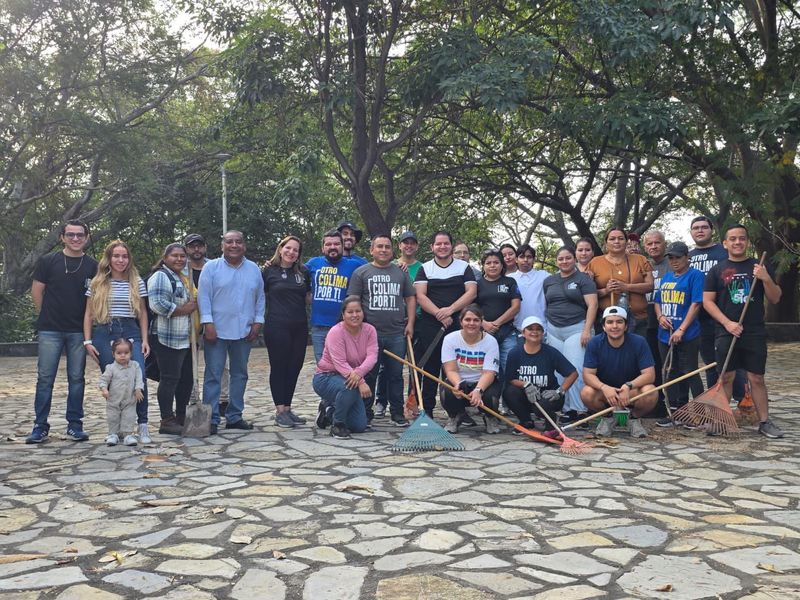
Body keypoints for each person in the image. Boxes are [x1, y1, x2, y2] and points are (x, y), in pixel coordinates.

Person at [703, 224, 784, 438]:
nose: (737, 242)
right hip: (726, 331)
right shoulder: (717, 270)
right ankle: (722, 421)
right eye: (733, 239)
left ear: (747, 242)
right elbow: (708, 302)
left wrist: (766, 278)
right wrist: (727, 323)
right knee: (726, 377)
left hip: (754, 331)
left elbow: (775, 297)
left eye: (742, 238)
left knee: (756, 378)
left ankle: (765, 422)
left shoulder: (760, 266)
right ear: (725, 243)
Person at [27, 220, 99, 444]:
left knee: (77, 378)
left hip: (78, 330)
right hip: (50, 329)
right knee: (45, 378)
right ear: (62, 237)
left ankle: (75, 425)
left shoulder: (93, 265)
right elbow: (37, 291)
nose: (75, 238)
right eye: (70, 234)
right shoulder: (48, 261)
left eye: (80, 235)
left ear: (86, 237)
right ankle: (40, 426)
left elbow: (95, 298)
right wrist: (46, 315)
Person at [84, 240, 152, 444]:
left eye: (124, 256)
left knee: (139, 375)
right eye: (116, 256)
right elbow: (88, 314)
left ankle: (142, 425)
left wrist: (145, 339)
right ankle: (115, 429)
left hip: (130, 330)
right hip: (105, 331)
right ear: (109, 258)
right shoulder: (96, 283)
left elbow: (142, 314)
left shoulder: (137, 282)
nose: (120, 260)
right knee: (114, 380)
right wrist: (88, 341)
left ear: (129, 259)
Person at [198, 230, 265, 434]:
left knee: (240, 374)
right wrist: (207, 323)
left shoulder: (254, 269)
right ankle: (211, 418)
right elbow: (204, 297)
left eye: (238, 242)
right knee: (213, 375)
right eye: (229, 242)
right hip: (216, 331)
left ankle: (235, 416)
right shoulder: (210, 268)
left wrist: (258, 322)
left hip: (244, 331)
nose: (234, 245)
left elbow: (260, 298)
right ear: (222, 246)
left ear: (244, 246)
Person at [348, 234, 416, 425]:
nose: (384, 250)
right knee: (369, 374)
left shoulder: (401, 272)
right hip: (369, 335)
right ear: (372, 250)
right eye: (379, 246)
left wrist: (410, 323)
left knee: (395, 375)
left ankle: (396, 412)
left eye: (387, 247)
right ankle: (365, 412)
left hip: (396, 333)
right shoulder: (361, 273)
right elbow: (353, 301)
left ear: (392, 251)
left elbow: (411, 298)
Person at [413, 231, 478, 417]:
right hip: (430, 326)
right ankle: (427, 410)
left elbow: (471, 292)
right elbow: (420, 295)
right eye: (438, 244)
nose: (442, 247)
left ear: (451, 246)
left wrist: (450, 310)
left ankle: (458, 412)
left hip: (458, 325)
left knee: (457, 368)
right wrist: (439, 314)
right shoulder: (425, 268)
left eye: (446, 243)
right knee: (431, 368)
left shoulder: (464, 267)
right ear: (432, 247)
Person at [688, 215, 745, 399]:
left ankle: (743, 399)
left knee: (734, 360)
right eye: (696, 228)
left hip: (725, 316)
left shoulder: (723, 251)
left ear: (711, 230)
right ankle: (716, 401)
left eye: (704, 227)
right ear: (691, 232)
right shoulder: (688, 257)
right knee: (710, 363)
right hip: (700, 319)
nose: (700, 230)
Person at [581, 306, 657, 438]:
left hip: (631, 391)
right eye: (610, 322)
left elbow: (650, 375)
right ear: (604, 326)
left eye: (619, 322)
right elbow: (588, 375)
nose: (614, 326)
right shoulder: (595, 343)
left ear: (626, 326)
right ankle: (608, 417)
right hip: (605, 392)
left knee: (650, 391)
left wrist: (628, 386)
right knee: (586, 392)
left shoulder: (639, 342)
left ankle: (633, 418)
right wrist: (604, 387)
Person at [542, 246, 597, 424]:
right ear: (557, 261)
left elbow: (593, 305)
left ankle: (578, 409)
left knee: (574, 369)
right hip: (553, 329)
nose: (564, 262)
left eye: (568, 258)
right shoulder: (549, 280)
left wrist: (587, 330)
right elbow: (546, 304)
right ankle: (564, 409)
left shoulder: (583, 279)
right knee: (558, 372)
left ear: (574, 259)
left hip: (577, 328)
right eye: (561, 259)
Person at [147, 243, 198, 435]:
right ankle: (167, 420)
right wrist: (184, 310)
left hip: (184, 338)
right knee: (170, 379)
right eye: (175, 256)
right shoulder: (161, 276)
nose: (179, 259)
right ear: (165, 257)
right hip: (167, 337)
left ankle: (181, 416)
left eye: (182, 256)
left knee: (186, 379)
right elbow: (157, 304)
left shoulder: (181, 277)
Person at [653, 241, 704, 425]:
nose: (674, 261)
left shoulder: (695, 276)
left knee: (689, 372)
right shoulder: (667, 277)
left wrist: (682, 328)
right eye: (671, 257)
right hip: (665, 334)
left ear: (687, 258)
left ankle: (701, 413)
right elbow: (657, 301)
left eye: (678, 257)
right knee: (669, 372)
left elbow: (696, 303)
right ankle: (675, 413)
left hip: (687, 334)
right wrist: (660, 317)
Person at [263, 236, 311, 428]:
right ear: (281, 248)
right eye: (288, 248)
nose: (291, 252)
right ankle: (280, 410)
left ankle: (288, 408)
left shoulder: (303, 272)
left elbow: (308, 296)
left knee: (294, 367)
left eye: (296, 250)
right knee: (279, 367)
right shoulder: (268, 271)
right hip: (277, 326)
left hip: (299, 326)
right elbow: (259, 296)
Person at [313, 296, 378, 438]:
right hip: (326, 377)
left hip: (350, 377)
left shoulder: (370, 330)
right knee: (349, 387)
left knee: (359, 425)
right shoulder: (336, 332)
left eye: (358, 311)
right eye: (350, 312)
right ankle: (338, 425)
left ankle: (329, 410)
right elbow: (340, 363)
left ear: (363, 313)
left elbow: (372, 357)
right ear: (343, 315)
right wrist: (360, 382)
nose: (355, 315)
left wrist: (358, 375)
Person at [505, 316, 577, 431]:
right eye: (530, 329)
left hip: (549, 396)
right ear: (523, 333)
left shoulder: (551, 352)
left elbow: (572, 373)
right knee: (509, 392)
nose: (534, 332)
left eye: (538, 329)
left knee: (543, 405)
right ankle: (526, 421)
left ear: (543, 333)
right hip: (527, 396)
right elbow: (511, 378)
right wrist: (526, 384)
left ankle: (552, 421)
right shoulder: (515, 353)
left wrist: (560, 391)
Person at [183, 233, 229, 408]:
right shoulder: (181, 269)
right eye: (192, 246)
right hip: (190, 321)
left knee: (222, 363)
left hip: (215, 319)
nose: (196, 249)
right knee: (190, 362)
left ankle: (223, 399)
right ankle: (193, 398)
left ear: (205, 247)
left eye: (199, 245)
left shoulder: (215, 267)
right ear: (187, 248)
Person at [441, 305, 502, 434]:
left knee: (491, 396)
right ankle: (454, 416)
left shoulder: (491, 342)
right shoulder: (450, 339)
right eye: (467, 320)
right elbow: (450, 370)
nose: (471, 323)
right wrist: (458, 385)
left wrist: (478, 390)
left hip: (482, 382)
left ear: (481, 322)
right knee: (447, 392)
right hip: (460, 381)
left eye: (476, 320)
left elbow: (489, 372)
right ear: (461, 321)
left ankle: (490, 417)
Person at [306, 229, 362, 361]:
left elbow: (376, 267)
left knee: (345, 365)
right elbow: (293, 270)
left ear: (343, 246)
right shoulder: (313, 263)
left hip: (345, 326)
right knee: (323, 367)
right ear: (322, 247)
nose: (332, 247)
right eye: (328, 244)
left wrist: (399, 264)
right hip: (319, 327)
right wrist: (273, 263)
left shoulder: (355, 265)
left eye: (336, 244)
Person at [588, 227, 653, 336]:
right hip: (608, 321)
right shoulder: (595, 262)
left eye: (621, 238)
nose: (616, 242)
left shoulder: (640, 259)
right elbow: (588, 293)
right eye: (612, 239)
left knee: (636, 351)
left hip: (638, 319)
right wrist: (606, 290)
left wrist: (626, 287)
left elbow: (650, 286)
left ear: (626, 241)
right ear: (606, 242)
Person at [476, 249, 520, 380]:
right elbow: (471, 308)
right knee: (484, 371)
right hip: (483, 334)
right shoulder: (477, 284)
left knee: (510, 371)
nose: (492, 265)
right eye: (488, 263)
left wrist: (496, 323)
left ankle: (509, 401)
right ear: (483, 266)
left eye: (496, 262)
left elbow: (516, 306)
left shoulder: (510, 282)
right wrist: (484, 324)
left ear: (502, 265)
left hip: (507, 333)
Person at [98, 338, 144, 446]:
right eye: (119, 353)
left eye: (126, 353)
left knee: (129, 416)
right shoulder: (110, 368)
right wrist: (104, 389)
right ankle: (113, 434)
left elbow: (139, 379)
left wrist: (138, 389)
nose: (123, 355)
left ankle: (127, 435)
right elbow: (103, 380)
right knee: (113, 417)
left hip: (129, 399)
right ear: (113, 354)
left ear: (131, 353)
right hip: (113, 400)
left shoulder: (135, 366)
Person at [643, 230, 669, 392]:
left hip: (667, 317)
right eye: (649, 244)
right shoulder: (643, 264)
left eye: (657, 242)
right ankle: (657, 401)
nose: (653, 246)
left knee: (669, 363)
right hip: (646, 319)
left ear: (664, 244)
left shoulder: (672, 262)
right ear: (645, 247)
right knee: (652, 362)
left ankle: (677, 403)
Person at [509, 243, 549, 335]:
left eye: (529, 257)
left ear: (534, 259)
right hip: (517, 328)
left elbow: (563, 276)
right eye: (522, 257)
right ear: (516, 259)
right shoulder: (510, 279)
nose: (525, 260)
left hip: (540, 327)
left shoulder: (543, 275)